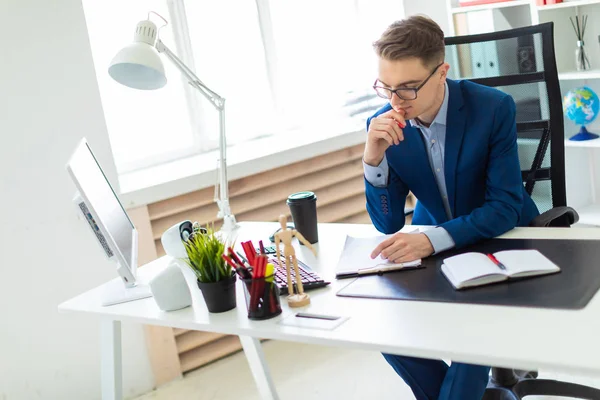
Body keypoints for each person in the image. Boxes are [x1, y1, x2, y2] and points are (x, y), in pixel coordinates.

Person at [363, 16, 539, 400]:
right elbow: (387, 221)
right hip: (439, 250)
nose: (395, 101)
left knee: (469, 337)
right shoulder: (383, 124)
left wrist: (431, 241)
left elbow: (505, 207)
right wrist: (373, 160)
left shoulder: (492, 108)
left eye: (408, 88)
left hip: (501, 240)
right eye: (386, 87)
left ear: (441, 72)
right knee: (385, 327)